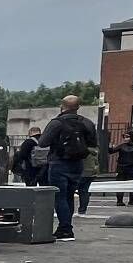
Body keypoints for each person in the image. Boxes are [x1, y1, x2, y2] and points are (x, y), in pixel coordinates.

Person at [38, 98, 96, 242]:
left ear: (62, 106)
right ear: (78, 107)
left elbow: (43, 142)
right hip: (78, 164)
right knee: (69, 196)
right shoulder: (87, 123)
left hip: (59, 163)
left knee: (59, 196)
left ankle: (65, 229)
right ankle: (66, 227)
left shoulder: (56, 123)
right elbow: (93, 144)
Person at [111, 133, 133, 206]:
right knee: (120, 184)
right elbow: (111, 151)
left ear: (132, 137)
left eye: (127, 137)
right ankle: (119, 201)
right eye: (124, 137)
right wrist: (110, 146)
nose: (125, 139)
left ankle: (132, 200)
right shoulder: (122, 146)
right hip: (121, 168)